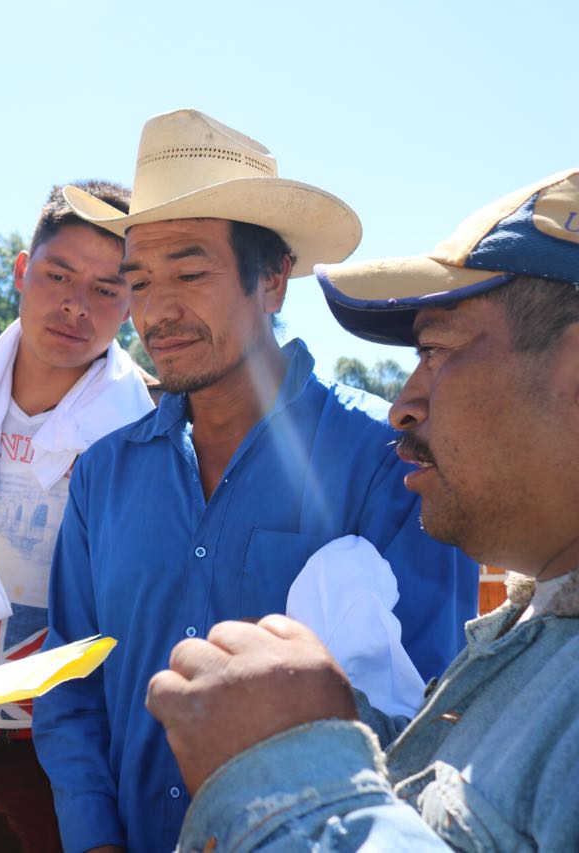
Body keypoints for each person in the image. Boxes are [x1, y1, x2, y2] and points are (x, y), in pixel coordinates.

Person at [32, 109, 479, 852]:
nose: (157, 310)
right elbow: (71, 689)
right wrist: (96, 837)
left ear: (271, 280)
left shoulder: (389, 463)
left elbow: (440, 713)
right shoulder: (101, 479)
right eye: (138, 280)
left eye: (190, 271)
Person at [147, 168, 579, 852]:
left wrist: (289, 765)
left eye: (435, 350)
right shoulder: (534, 628)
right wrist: (339, 724)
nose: (403, 404)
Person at [0, 181, 161, 853]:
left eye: (108, 288)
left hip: (73, 762)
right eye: (59, 274)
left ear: (132, 300)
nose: (76, 305)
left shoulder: (150, 431)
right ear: (22, 270)